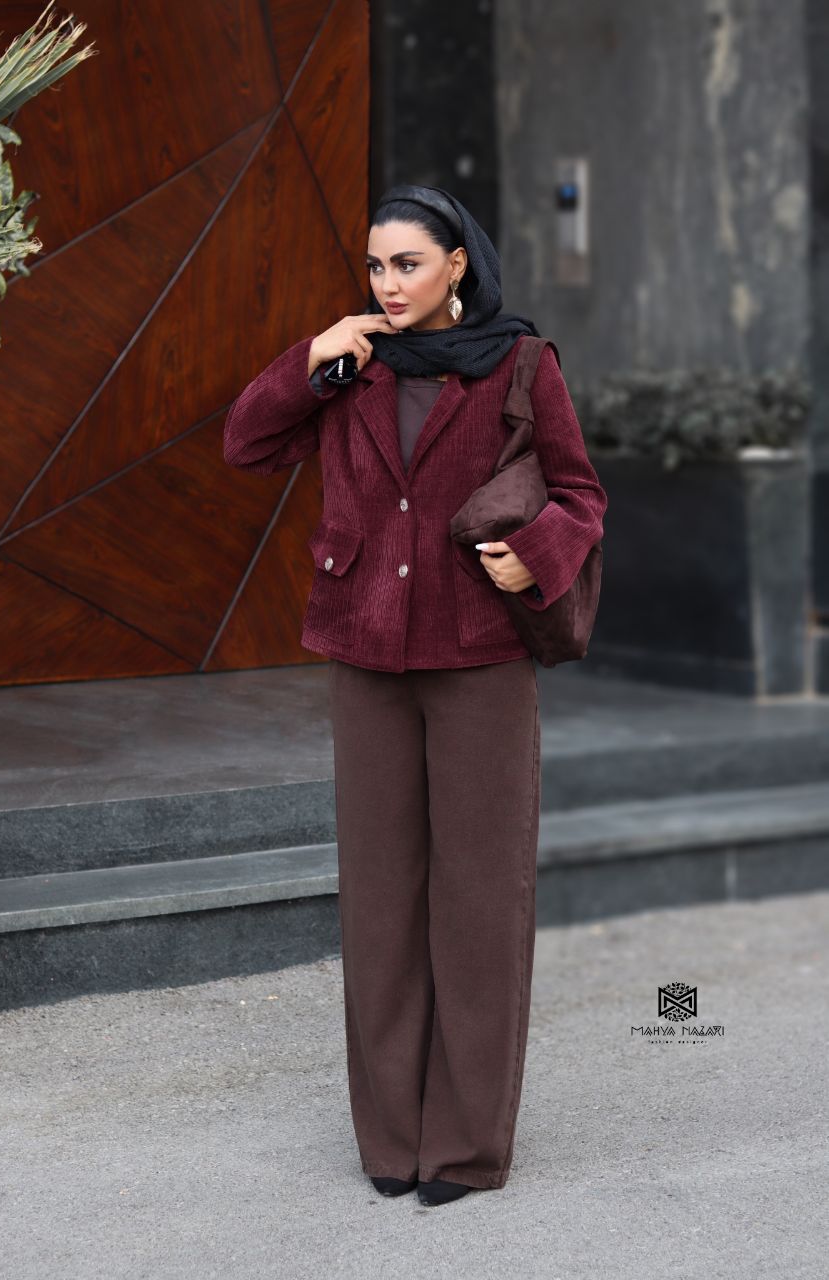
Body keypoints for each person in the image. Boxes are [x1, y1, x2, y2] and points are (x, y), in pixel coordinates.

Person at [223, 183, 607, 1207]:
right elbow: (246, 444)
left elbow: (580, 494)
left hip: (478, 656)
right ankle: (391, 1139)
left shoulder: (522, 363)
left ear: (456, 266)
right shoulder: (352, 364)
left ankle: (466, 1146)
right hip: (365, 653)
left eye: (407, 263)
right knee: (380, 899)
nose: (387, 284)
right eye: (375, 265)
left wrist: (536, 554)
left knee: (480, 899)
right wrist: (310, 357)